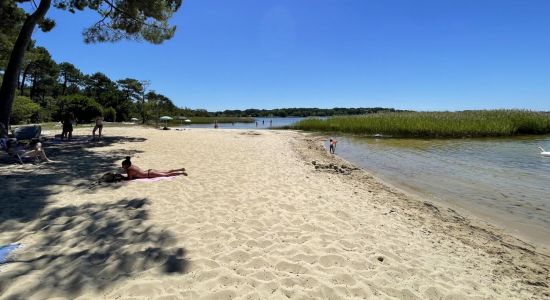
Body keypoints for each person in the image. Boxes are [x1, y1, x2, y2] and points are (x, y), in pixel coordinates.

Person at [121, 156, 187, 180]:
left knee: (166, 175)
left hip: (149, 174)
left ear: (126, 165)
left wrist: (123, 178)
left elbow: (130, 179)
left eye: (123, 165)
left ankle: (181, 173)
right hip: (150, 170)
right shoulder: (132, 165)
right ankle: (180, 169)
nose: (122, 167)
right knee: (166, 171)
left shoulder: (129, 170)